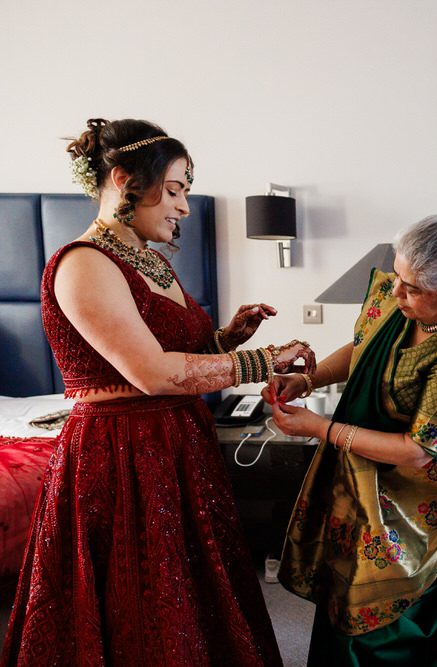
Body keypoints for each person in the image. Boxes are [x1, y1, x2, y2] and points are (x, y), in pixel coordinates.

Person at [2, 118, 315, 666]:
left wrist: (225, 339)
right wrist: (261, 361)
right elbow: (151, 373)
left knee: (194, 596)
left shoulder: (151, 261)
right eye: (174, 190)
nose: (185, 208)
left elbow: (164, 352)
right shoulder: (84, 264)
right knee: (142, 599)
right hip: (121, 454)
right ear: (125, 181)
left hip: (177, 443)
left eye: (187, 191)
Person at [263, 215, 437, 667]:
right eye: (399, 276)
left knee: (379, 614)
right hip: (366, 461)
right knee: (342, 590)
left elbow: (415, 450)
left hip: (422, 490)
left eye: (412, 289)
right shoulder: (402, 295)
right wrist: (307, 380)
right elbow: (362, 346)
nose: (396, 293)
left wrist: (321, 429)